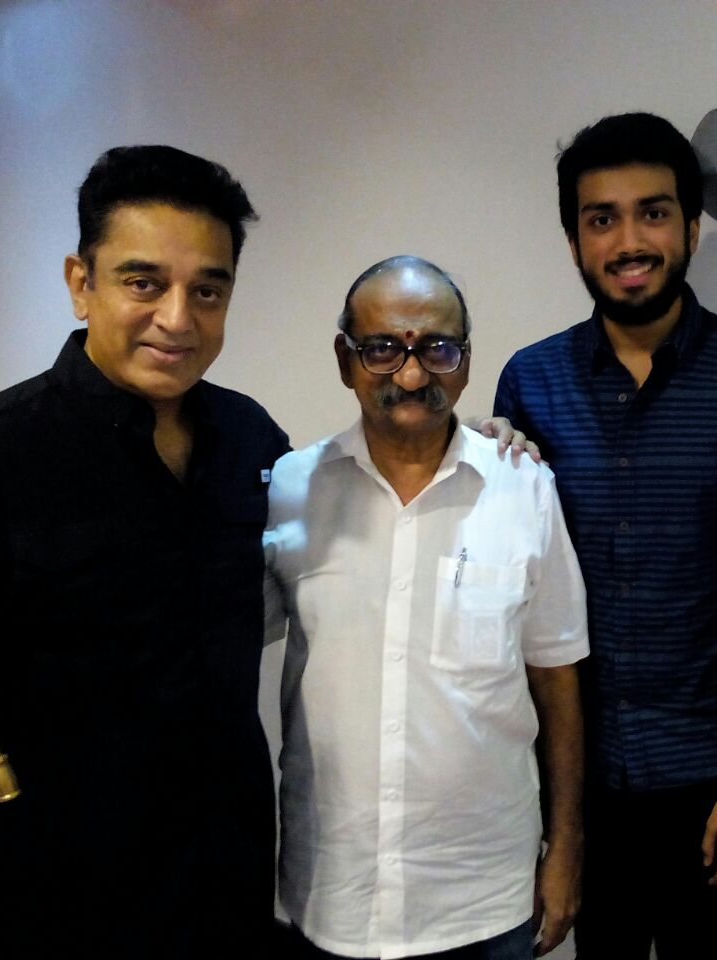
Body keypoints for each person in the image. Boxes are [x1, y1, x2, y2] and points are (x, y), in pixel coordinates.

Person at [0, 145, 289, 960]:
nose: (178, 318)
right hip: (49, 916)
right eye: (144, 282)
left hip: (225, 900)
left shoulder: (252, 441)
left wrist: (477, 447)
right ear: (80, 282)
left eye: (207, 290)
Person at [493, 113, 717, 959]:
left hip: (712, 775)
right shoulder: (531, 381)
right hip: (579, 776)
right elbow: (520, 589)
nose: (629, 241)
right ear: (574, 241)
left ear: (692, 228)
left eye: (654, 212)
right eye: (602, 218)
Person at [265, 256, 589, 960]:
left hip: (483, 898)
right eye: (382, 348)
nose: (412, 375)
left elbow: (557, 681)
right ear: (345, 359)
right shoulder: (291, 490)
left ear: (466, 360)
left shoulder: (524, 488)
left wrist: (566, 846)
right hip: (332, 891)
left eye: (437, 348)